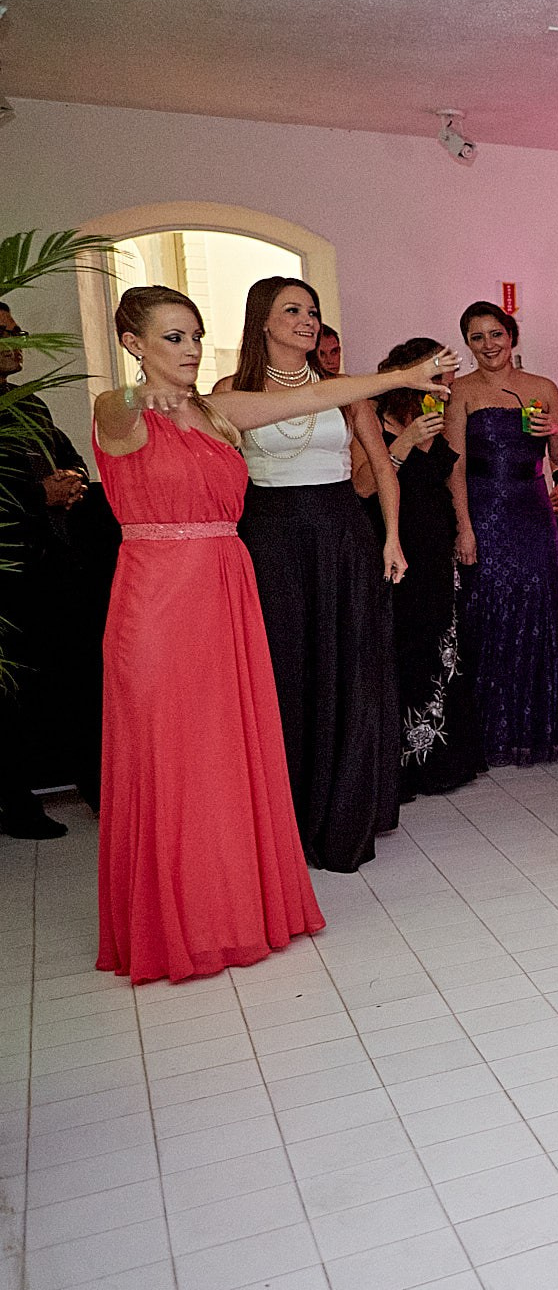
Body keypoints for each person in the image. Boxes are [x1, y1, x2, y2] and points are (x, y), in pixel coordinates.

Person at [93, 284, 449, 982]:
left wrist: (404, 377)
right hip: (159, 599)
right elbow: (112, 409)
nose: (190, 349)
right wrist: (135, 395)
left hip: (229, 588)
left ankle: (235, 906)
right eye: (172, 337)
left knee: (232, 750)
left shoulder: (218, 409)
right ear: (133, 344)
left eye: (196, 335)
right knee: (171, 754)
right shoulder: (120, 409)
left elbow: (319, 396)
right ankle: (176, 919)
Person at [218, 276, 403, 873]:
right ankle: (284, 817)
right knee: (285, 669)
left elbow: (382, 466)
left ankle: (346, 811)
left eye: (312, 311)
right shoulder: (230, 391)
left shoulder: (344, 390)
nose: (307, 320)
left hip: (342, 533)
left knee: (349, 667)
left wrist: (392, 537)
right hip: (269, 535)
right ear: (263, 322)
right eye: (292, 310)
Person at [445, 299, 558, 765]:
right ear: (468, 344)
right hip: (484, 508)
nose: (488, 345)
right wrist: (464, 527)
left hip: (532, 507)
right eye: (477, 337)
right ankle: (491, 729)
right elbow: (454, 466)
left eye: (496, 334)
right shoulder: (460, 391)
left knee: (541, 605)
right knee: (488, 609)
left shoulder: (542, 387)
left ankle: (541, 725)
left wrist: (555, 432)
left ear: (511, 336)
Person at [362, 338, 484, 799]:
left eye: (448, 384)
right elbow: (363, 486)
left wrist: (464, 529)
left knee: (442, 647)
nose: (445, 392)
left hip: (437, 547)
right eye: (438, 382)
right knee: (403, 647)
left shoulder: (439, 416)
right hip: (395, 547)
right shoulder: (373, 415)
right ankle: (402, 762)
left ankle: (444, 758)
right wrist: (406, 441)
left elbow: (453, 478)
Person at [0, 302, 102, 837]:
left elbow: (69, 456)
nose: (17, 341)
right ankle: (17, 805)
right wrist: (36, 494)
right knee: (12, 693)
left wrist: (72, 480)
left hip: (55, 562)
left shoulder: (31, 403)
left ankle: (100, 787)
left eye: (17, 330)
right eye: (5, 333)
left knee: (79, 676)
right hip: (8, 571)